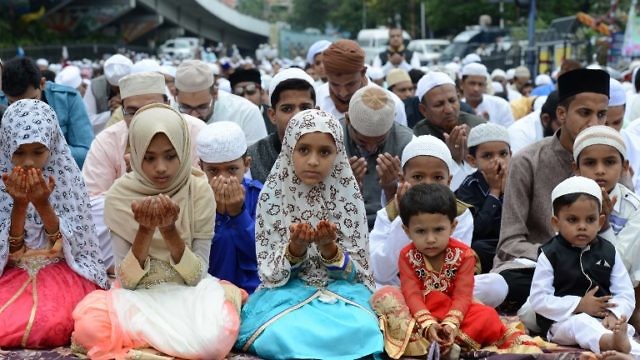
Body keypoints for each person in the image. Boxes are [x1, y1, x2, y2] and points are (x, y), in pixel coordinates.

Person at [72, 104, 244, 359]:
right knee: (90, 329)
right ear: (135, 154)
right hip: (139, 297)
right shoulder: (119, 196)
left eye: (170, 156)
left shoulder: (198, 189)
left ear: (184, 151)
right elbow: (126, 282)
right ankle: (159, 346)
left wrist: (169, 230)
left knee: (213, 340)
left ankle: (145, 349)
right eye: (149, 157)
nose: (161, 167)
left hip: (190, 295)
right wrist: (144, 230)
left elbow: (198, 276)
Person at [235, 109, 383, 359]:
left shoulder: (348, 196)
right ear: (289, 149)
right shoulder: (273, 195)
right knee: (281, 332)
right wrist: (295, 250)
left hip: (341, 295)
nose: (313, 160)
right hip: (286, 293)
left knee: (362, 328)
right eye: (304, 150)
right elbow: (269, 272)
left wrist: (329, 249)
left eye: (324, 152)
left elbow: (358, 273)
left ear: (337, 154)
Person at [372, 184, 538, 359]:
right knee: (385, 295)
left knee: (487, 316)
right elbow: (411, 293)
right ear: (407, 231)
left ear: (452, 226)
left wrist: (451, 324)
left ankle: (439, 345)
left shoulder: (464, 255)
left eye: (438, 230)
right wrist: (428, 323)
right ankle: (438, 345)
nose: (430, 239)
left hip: (454, 311)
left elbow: (462, 295)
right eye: (420, 231)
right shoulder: (407, 255)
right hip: (419, 311)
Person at [494, 68, 610, 312]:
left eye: (602, 114)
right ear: (561, 114)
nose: (594, 123)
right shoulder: (528, 161)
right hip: (536, 268)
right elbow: (509, 241)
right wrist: (560, 258)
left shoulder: (611, 159)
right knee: (508, 283)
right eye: (585, 113)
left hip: (597, 269)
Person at [0, 99, 107, 347]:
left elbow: (78, 246)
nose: (28, 162)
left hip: (62, 271)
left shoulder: (69, 179)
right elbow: (12, 251)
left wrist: (43, 204)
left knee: (53, 322)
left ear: (53, 144)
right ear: (6, 147)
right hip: (11, 270)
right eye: (19, 152)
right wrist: (19, 204)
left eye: (38, 152)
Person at [82, 71, 205, 273]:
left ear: (168, 104)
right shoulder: (107, 140)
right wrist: (132, 188)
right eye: (132, 111)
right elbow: (89, 201)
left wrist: (166, 194)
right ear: (121, 111)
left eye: (151, 108)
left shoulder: (195, 131)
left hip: (183, 218)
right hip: (130, 223)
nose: (143, 117)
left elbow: (203, 187)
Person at [369, 135, 507, 306]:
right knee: (374, 287)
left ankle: (424, 305)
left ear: (449, 181)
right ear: (402, 179)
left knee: (496, 285)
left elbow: (454, 268)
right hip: (402, 287)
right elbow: (381, 272)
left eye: (437, 178)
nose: (428, 184)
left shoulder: (460, 214)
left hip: (446, 287)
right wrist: (402, 217)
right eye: (418, 177)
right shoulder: (388, 214)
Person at [530, 176, 639, 357]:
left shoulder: (609, 251)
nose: (582, 226)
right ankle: (612, 344)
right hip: (564, 322)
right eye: (572, 220)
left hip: (604, 321)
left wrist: (614, 314)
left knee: (623, 329)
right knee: (580, 324)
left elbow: (625, 293)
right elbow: (539, 299)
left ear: (600, 221)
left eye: (590, 220)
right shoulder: (550, 254)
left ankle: (624, 352)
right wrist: (579, 305)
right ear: (556, 223)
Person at [572, 125, 640, 332]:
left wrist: (603, 226)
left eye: (609, 162)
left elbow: (620, 265)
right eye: (590, 163)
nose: (600, 170)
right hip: (576, 283)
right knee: (529, 314)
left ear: (624, 166)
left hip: (622, 287)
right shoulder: (566, 200)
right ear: (576, 168)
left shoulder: (635, 208)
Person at [196, 121, 261, 294]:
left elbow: (263, 255)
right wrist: (215, 213)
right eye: (213, 171)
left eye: (232, 169)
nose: (223, 178)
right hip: (208, 292)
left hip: (256, 292)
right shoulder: (195, 201)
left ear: (247, 164)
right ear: (200, 168)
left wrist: (239, 215)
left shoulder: (261, 196)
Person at [2, 57, 94, 168]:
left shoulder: (68, 99)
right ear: (3, 92)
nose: (24, 111)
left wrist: (44, 151)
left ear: (42, 83)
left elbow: (87, 154)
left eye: (32, 101)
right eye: (14, 104)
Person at [344, 85, 414, 229]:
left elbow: (413, 212)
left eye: (380, 141)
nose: (371, 148)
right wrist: (344, 186)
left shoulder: (408, 143)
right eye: (362, 141)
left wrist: (391, 188)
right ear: (348, 120)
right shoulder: (330, 139)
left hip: (391, 227)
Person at [413, 71, 486, 190]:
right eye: (439, 104)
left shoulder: (479, 127)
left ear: (459, 98)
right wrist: (452, 159)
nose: (448, 109)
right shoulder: (417, 139)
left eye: (452, 101)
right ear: (423, 110)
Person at [455, 123, 511, 274]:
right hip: (490, 245)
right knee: (478, 248)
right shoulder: (469, 187)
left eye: (503, 154)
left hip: (515, 242)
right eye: (487, 156)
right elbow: (477, 230)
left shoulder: (519, 179)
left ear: (511, 154)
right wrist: (495, 191)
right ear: (472, 160)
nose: (497, 161)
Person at [247, 68, 316, 184]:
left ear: (317, 112)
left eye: (305, 108)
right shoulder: (254, 156)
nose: (297, 116)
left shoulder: (330, 150)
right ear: (272, 115)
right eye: (287, 109)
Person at [174, 60, 266, 145]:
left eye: (202, 107)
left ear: (215, 94)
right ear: (175, 95)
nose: (193, 116)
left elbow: (257, 159)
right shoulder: (169, 113)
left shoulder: (245, 112)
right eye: (185, 107)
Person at [316, 39, 407, 126]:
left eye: (350, 84)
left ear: (363, 72)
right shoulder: (318, 96)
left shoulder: (392, 104)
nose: (343, 93)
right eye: (335, 85)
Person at [83, 54, 132, 135]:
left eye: (122, 87)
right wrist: (111, 114)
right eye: (115, 88)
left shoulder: (137, 85)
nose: (118, 91)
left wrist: (124, 110)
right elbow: (86, 120)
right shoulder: (95, 86)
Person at [460, 62, 515, 128]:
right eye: (472, 83)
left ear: (485, 86)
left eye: (480, 84)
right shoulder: (457, 107)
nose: (476, 89)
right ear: (462, 84)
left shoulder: (501, 105)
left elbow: (509, 133)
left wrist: (486, 124)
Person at [229, 68, 274, 134]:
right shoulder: (229, 121)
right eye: (239, 94)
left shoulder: (274, 116)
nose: (246, 98)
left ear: (261, 92)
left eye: (251, 92)